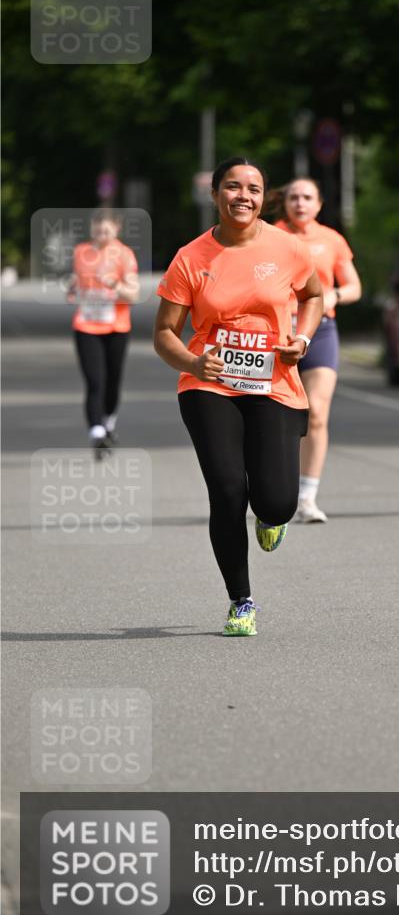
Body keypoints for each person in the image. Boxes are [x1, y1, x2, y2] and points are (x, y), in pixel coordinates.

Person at [154, 157, 323, 637]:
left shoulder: (287, 248)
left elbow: (313, 296)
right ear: (215, 195)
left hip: (274, 383)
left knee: (277, 502)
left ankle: (272, 517)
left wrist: (303, 340)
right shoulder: (191, 257)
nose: (242, 196)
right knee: (227, 490)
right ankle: (241, 600)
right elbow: (165, 333)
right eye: (232, 187)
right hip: (209, 383)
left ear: (263, 197)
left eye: (252, 188)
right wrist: (191, 363)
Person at [273, 178, 361, 522]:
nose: (300, 203)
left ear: (319, 204)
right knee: (278, 418)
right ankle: (274, 487)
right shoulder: (271, 236)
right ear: (286, 202)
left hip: (321, 332)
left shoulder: (332, 239)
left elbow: (354, 285)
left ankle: (307, 497)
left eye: (307, 197)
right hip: (278, 334)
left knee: (317, 412)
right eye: (294, 197)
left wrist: (335, 295)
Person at [67, 209, 139, 458]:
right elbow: (75, 285)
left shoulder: (124, 254)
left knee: (112, 382)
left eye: (107, 229)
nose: (102, 233)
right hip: (86, 325)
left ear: (116, 229)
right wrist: (73, 288)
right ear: (91, 229)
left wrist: (113, 285)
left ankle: (108, 422)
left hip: (117, 326)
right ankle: (96, 432)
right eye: (98, 229)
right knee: (94, 380)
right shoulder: (80, 252)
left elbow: (134, 294)